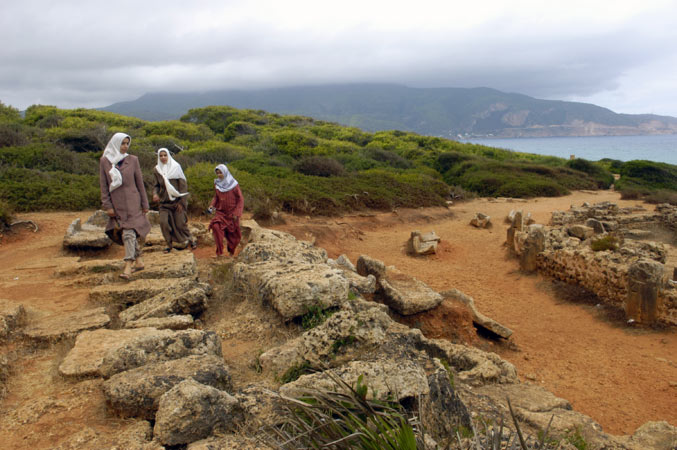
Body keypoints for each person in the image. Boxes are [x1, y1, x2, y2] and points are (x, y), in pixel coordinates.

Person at [99, 132, 151, 279]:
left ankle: (128, 265)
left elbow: (140, 183)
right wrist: (107, 205)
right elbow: (103, 185)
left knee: (128, 232)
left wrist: (145, 204)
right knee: (128, 232)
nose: (125, 146)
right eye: (122, 143)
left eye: (127, 143)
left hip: (134, 202)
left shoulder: (133, 160)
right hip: (117, 204)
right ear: (115, 143)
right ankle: (139, 260)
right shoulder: (105, 161)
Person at [152, 148, 197, 253]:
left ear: (168, 156)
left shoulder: (176, 167)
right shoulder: (157, 169)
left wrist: (181, 202)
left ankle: (190, 239)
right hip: (164, 203)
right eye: (161, 156)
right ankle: (169, 244)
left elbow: (183, 186)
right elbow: (156, 185)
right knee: (164, 223)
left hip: (177, 202)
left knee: (180, 223)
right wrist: (155, 194)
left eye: (165, 155)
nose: (163, 157)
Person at [208, 163, 244, 258]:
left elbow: (240, 199)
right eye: (217, 173)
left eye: (221, 173)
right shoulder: (217, 184)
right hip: (220, 213)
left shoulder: (234, 184)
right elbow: (216, 197)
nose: (219, 175)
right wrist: (212, 206)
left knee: (234, 237)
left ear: (225, 172)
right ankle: (219, 253)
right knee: (216, 227)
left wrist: (237, 212)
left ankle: (231, 252)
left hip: (232, 214)